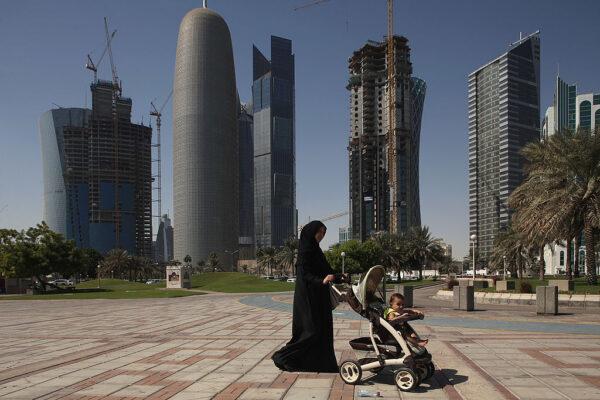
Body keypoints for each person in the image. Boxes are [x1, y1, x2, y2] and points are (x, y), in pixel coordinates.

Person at [271, 220, 346, 372]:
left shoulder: (317, 251)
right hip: (307, 298)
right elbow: (304, 275)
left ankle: (320, 364)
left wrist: (340, 277)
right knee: (310, 332)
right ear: (312, 232)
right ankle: (282, 356)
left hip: (320, 297)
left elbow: (327, 271)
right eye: (320, 232)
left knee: (323, 330)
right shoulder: (305, 251)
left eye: (324, 233)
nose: (322, 235)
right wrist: (321, 280)